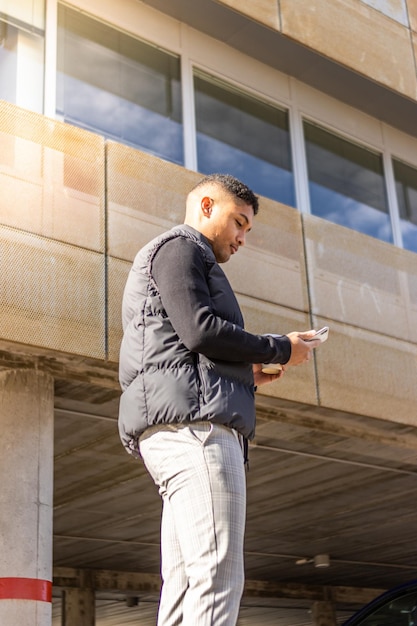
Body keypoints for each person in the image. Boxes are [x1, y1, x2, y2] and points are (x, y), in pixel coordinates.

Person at [118, 173, 319, 626]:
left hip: (179, 428)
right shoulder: (182, 248)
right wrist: (281, 347)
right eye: (238, 222)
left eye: (247, 229)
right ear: (206, 206)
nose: (243, 238)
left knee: (187, 580)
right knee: (218, 574)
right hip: (198, 435)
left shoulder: (176, 255)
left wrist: (244, 376)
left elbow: (181, 343)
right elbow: (201, 329)